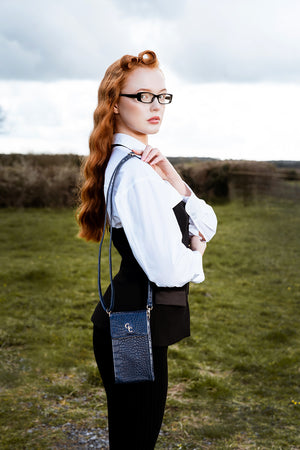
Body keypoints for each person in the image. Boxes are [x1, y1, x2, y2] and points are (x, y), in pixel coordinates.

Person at [77, 50, 217, 449]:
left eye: (162, 96)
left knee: (131, 434)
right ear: (115, 104)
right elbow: (170, 270)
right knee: (136, 438)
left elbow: (207, 221)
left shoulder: (141, 163)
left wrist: (171, 173)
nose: (156, 106)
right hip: (133, 327)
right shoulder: (135, 173)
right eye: (142, 96)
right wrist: (196, 253)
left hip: (132, 320)